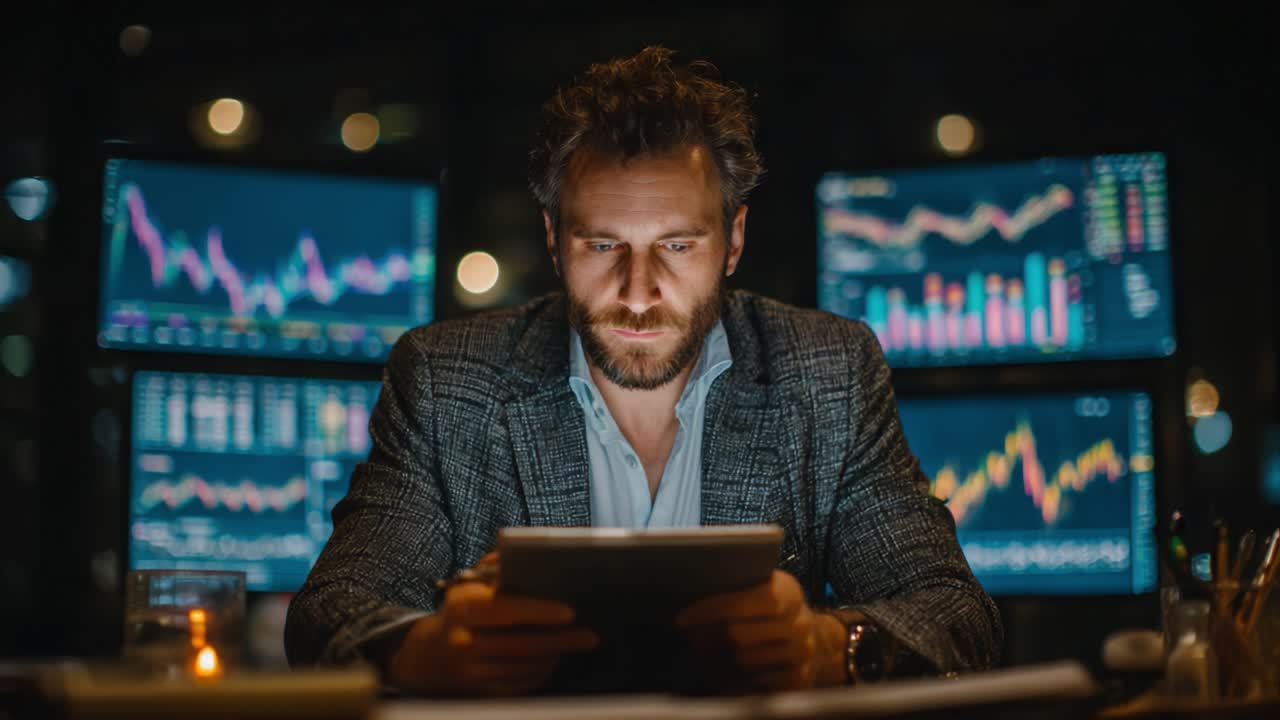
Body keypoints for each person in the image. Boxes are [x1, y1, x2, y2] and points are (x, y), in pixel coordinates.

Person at [284, 45, 1001, 696]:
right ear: (554, 243)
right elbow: (332, 610)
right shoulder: (446, 381)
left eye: (677, 246)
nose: (637, 291)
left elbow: (956, 614)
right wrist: (422, 651)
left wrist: (831, 645)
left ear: (733, 241)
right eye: (602, 244)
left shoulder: (829, 373)